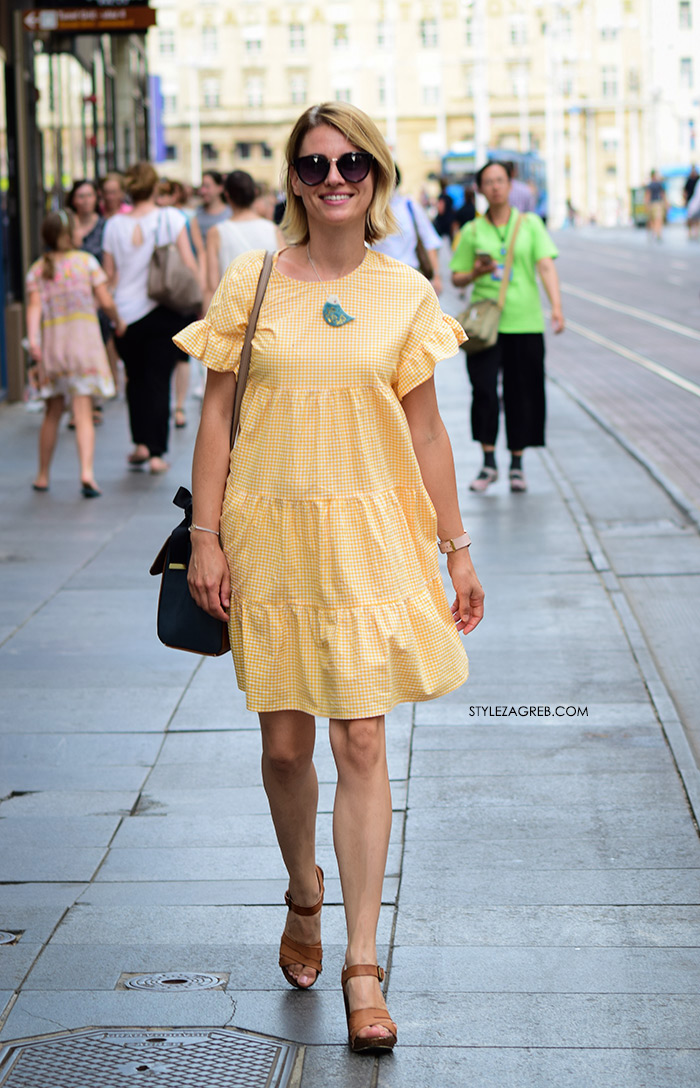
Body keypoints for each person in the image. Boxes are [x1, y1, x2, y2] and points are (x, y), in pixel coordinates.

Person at [174, 101, 484, 1054]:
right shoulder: (253, 281)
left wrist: (457, 546)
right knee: (282, 749)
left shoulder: (405, 293)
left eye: (352, 162)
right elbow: (217, 419)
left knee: (360, 739)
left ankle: (362, 965)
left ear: (377, 176)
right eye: (314, 166)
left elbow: (427, 431)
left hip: (373, 539)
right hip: (272, 538)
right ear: (295, 182)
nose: (334, 178)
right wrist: (206, 537)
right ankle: (302, 892)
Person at [450, 159, 564, 493]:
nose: (496, 187)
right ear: (480, 189)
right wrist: (476, 273)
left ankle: (517, 463)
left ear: (510, 185)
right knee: (483, 390)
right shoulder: (472, 230)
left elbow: (545, 266)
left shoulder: (529, 225)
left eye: (501, 180)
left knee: (522, 392)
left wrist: (556, 307)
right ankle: (488, 463)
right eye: (489, 182)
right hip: (486, 324)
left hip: (525, 322)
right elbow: (457, 275)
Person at [102, 161, 200, 474]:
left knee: (136, 380)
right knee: (159, 380)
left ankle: (141, 444)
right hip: (163, 309)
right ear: (155, 186)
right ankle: (157, 453)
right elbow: (187, 262)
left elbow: (109, 274)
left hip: (125, 314)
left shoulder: (114, 225)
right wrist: (199, 299)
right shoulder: (172, 217)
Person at [25, 209, 122, 496]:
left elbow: (33, 309)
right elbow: (104, 300)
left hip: (55, 347)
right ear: (69, 233)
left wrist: (34, 342)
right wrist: (118, 319)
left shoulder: (38, 269)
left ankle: (42, 474)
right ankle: (87, 473)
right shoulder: (86, 263)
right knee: (82, 410)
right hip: (84, 346)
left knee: (52, 411)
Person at [156, 178, 206, 427]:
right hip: (172, 293)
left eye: (165, 194)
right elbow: (194, 254)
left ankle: (176, 407)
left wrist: (199, 290)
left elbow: (196, 251)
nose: (161, 200)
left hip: (166, 292)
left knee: (177, 356)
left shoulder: (182, 218)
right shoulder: (177, 218)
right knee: (174, 355)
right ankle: (175, 407)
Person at [204, 170, 283, 309]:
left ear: (227, 195)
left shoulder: (216, 232)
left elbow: (212, 284)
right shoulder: (273, 230)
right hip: (269, 310)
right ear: (254, 193)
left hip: (232, 313)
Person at [372, 165, 443, 293]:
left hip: (411, 279)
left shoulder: (409, 206)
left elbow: (429, 241)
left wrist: (436, 277)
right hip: (379, 282)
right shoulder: (368, 210)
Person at [195, 170, 231, 243]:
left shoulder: (230, 214)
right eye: (202, 186)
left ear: (220, 188)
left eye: (207, 186)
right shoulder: (196, 214)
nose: (203, 191)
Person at [645, 170, 666, 242]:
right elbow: (648, 194)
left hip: (656, 203)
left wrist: (647, 204)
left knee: (656, 219)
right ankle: (656, 233)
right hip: (655, 203)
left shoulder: (655, 184)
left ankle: (657, 233)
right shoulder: (653, 184)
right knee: (655, 219)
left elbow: (662, 194)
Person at [684, 165, 699, 241]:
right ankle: (690, 233)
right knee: (690, 219)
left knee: (697, 219)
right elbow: (685, 191)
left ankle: (696, 233)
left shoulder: (698, 179)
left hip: (698, 202)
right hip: (690, 201)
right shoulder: (689, 180)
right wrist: (685, 200)